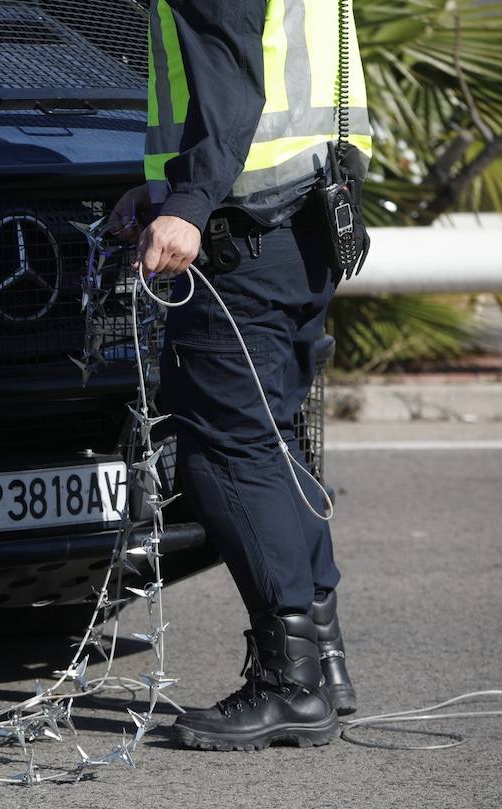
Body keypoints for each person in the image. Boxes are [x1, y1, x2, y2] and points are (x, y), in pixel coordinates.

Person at [107, 0, 372, 750]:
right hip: (310, 216)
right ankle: (324, 663)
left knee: (224, 452)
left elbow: (230, 84)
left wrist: (190, 202)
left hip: (247, 230)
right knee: (271, 440)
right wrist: (166, 190)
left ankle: (289, 685)